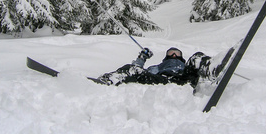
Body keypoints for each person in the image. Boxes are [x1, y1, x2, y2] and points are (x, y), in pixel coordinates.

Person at [92, 46, 230, 87]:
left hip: (184, 79)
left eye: (177, 53)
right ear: (166, 56)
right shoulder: (157, 67)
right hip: (162, 81)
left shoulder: (186, 65)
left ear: (181, 57)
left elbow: (194, 66)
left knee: (197, 56)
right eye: (171, 53)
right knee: (131, 68)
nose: (174, 55)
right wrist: (142, 58)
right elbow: (137, 70)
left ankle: (213, 69)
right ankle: (108, 81)